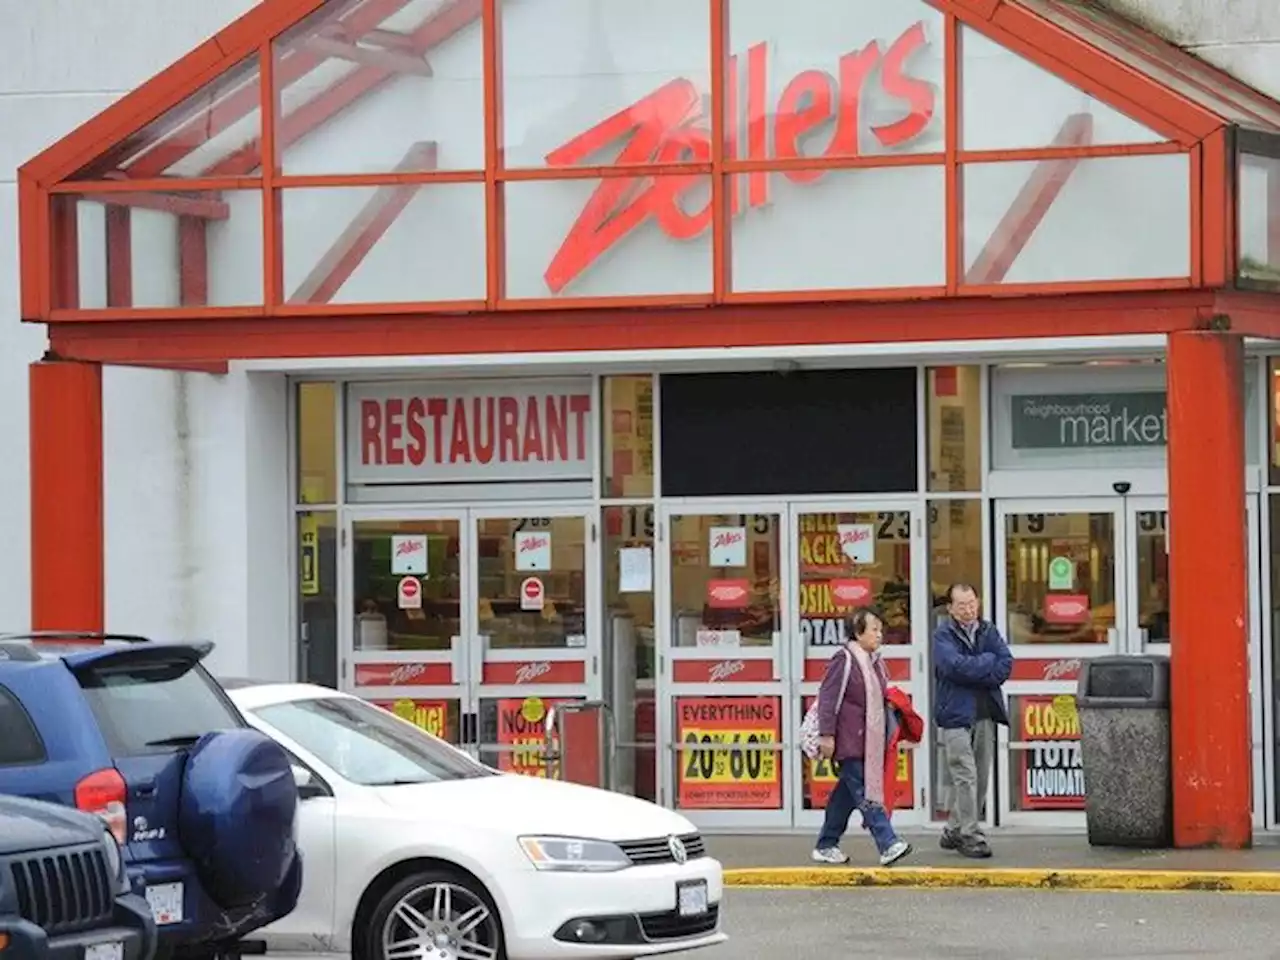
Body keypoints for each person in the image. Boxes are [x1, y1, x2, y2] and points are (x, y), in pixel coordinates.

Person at [812, 607, 913, 866]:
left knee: (844, 797)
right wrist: (826, 735)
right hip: (849, 741)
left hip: (868, 741)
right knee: (867, 793)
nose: (879, 635)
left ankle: (826, 844)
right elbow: (828, 698)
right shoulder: (844, 659)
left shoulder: (874, 662)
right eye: (874, 630)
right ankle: (888, 843)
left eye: (881, 630)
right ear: (858, 633)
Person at [933, 583, 1012, 859]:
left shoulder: (988, 631)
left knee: (979, 776)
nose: (968, 610)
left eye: (971, 603)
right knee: (965, 774)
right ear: (950, 608)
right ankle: (970, 834)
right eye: (962, 605)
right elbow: (951, 667)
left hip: (984, 712)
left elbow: (1004, 665)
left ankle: (953, 829)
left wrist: (978, 667)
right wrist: (984, 663)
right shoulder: (942, 634)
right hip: (955, 714)